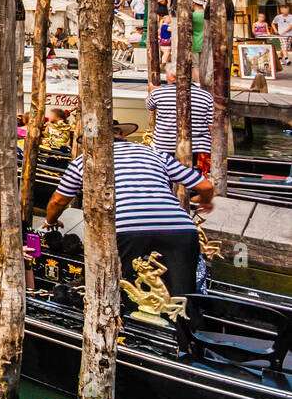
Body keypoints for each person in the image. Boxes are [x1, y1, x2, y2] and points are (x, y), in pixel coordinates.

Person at [46, 128, 214, 301]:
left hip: (127, 229)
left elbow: (58, 201)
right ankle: (187, 324)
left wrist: (51, 221)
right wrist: (205, 201)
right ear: (122, 139)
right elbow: (206, 187)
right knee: (184, 293)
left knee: (130, 290)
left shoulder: (84, 161)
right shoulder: (155, 154)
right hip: (181, 229)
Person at [145, 69, 215, 173]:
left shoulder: (158, 93)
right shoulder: (206, 96)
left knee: (167, 175)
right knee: (196, 178)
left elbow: (149, 106)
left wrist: (151, 92)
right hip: (199, 147)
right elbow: (211, 126)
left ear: (172, 77)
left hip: (165, 146)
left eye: (167, 74)